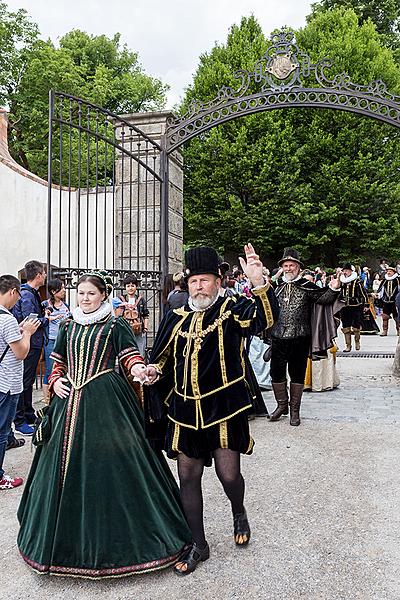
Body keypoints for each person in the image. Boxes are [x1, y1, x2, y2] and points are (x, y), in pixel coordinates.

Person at [17, 271, 191, 578]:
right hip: (68, 401)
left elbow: (130, 357)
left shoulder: (115, 324)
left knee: (114, 465)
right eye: (81, 293)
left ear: (102, 296)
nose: (85, 298)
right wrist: (56, 381)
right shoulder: (69, 324)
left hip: (107, 400)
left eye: (91, 294)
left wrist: (140, 370)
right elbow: (57, 361)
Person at [144, 244, 279, 576]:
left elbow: (265, 320)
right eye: (193, 281)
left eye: (204, 280)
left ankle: (238, 509)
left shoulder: (232, 307)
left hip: (225, 407)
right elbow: (161, 358)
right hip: (184, 412)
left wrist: (259, 282)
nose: (198, 287)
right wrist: (152, 371)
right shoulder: (176, 316)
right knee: (188, 476)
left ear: (218, 281)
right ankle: (198, 545)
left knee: (228, 474)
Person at [269, 248, 341, 426]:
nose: (288, 268)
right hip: (278, 336)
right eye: (285, 265)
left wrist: (333, 288)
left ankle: (295, 411)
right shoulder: (277, 288)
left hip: (300, 337)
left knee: (297, 374)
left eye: (291, 265)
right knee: (276, 372)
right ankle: (282, 405)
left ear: (298, 267)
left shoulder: (306, 286)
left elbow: (324, 298)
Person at [0, 275, 39, 489]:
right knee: (2, 431)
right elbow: (21, 352)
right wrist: (28, 333)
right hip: (6, 382)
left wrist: (20, 329)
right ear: (13, 292)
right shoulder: (6, 319)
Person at [12, 260, 48, 435]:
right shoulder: (27, 295)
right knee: (24, 383)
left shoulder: (31, 293)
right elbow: (29, 321)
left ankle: (28, 414)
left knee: (29, 382)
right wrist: (47, 319)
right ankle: (19, 421)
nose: (46, 276)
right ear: (39, 275)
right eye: (45, 273)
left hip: (33, 343)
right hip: (29, 343)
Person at [41, 279, 70, 403]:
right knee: (49, 369)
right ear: (53, 291)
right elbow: (41, 320)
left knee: (63, 367)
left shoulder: (66, 305)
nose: (64, 290)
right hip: (51, 341)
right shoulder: (45, 304)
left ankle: (57, 396)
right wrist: (50, 317)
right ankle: (47, 400)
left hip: (64, 340)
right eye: (61, 288)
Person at [338, 263, 369, 352]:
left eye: (347, 270)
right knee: (345, 326)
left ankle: (357, 342)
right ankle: (348, 345)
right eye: (344, 271)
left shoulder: (357, 281)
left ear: (351, 271)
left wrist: (366, 305)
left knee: (356, 326)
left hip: (356, 306)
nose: (345, 272)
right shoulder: (342, 281)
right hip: (344, 306)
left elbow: (364, 294)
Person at [119, 274, 149, 357]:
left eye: (133, 285)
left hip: (138, 330)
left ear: (136, 286)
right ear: (125, 287)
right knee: (125, 352)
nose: (130, 288)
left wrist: (145, 328)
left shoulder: (141, 299)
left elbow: (146, 314)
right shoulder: (120, 299)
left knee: (140, 352)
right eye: (128, 286)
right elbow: (116, 314)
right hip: (124, 330)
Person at [377, 266, 400, 336]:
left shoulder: (397, 280)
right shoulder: (385, 280)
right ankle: (384, 331)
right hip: (386, 301)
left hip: (395, 302)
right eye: (387, 271)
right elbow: (380, 289)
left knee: (397, 317)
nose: (388, 272)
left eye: (390, 271)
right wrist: (378, 295)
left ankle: (398, 330)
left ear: (394, 272)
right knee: (385, 316)